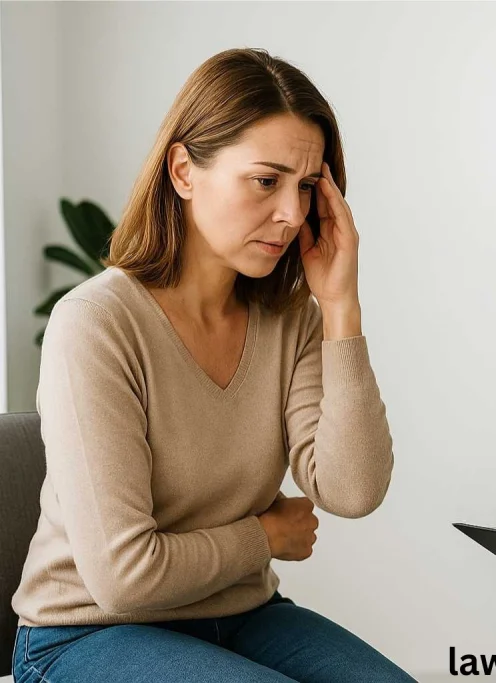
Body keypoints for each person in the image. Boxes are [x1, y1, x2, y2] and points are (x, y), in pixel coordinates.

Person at [11, 48, 414, 682]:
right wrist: (267, 537)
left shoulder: (290, 318)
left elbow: (351, 490)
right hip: (88, 633)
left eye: (306, 187)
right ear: (183, 171)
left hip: (243, 614)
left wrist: (340, 306)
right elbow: (123, 580)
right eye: (266, 180)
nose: (291, 213)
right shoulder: (95, 324)